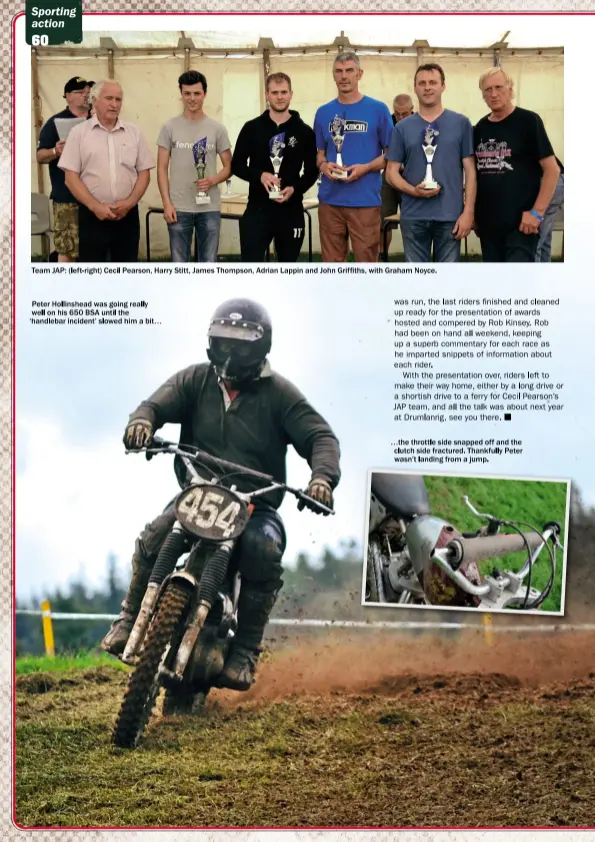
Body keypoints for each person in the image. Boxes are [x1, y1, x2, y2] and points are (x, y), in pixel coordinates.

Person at [101, 298, 341, 691]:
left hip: (255, 505)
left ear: (261, 348)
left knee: (263, 549)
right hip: (198, 493)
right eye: (224, 342)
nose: (231, 353)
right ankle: (129, 617)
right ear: (211, 342)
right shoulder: (194, 380)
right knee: (156, 533)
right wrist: (142, 423)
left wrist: (322, 480)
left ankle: (245, 650)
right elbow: (151, 406)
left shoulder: (280, 394)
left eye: (242, 345)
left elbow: (320, 437)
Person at [385, 63, 476, 263]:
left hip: (450, 216)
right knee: (417, 281)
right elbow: (390, 172)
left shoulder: (461, 123)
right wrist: (413, 191)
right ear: (415, 87)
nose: (427, 87)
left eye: (433, 82)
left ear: (443, 86)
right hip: (413, 216)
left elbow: (470, 171)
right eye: (422, 83)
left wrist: (468, 212)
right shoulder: (402, 128)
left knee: (446, 283)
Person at [59, 80, 155, 262]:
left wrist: (129, 203)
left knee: (126, 272)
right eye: (109, 98)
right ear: (94, 101)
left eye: (118, 99)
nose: (114, 104)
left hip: (127, 217)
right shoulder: (78, 133)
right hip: (92, 216)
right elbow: (70, 178)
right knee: (93, 275)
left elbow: (144, 173)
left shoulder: (134, 133)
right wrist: (96, 207)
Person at [474, 67, 560, 263]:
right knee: (494, 285)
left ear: (511, 89)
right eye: (487, 89)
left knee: (518, 285)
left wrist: (537, 213)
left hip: (521, 225)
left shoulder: (528, 121)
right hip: (489, 225)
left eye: (499, 87)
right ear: (482, 94)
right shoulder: (480, 127)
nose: (493, 94)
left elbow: (552, 170)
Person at [314, 52, 394, 262]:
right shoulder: (323, 112)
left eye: (349, 70)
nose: (344, 76)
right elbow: (319, 155)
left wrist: (365, 168)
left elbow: (391, 155)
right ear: (333, 76)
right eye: (339, 71)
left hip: (365, 202)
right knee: (332, 267)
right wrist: (324, 167)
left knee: (366, 266)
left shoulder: (378, 110)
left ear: (360, 74)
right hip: (330, 201)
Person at [231, 73, 318, 261]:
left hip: (291, 211)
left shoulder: (304, 132)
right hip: (258, 210)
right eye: (275, 92)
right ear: (267, 95)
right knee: (251, 268)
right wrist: (259, 175)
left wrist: (295, 189)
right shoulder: (251, 128)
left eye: (284, 92)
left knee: (287, 270)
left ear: (291, 94)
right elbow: (236, 165)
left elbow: (312, 172)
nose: (280, 97)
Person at [157, 71, 232, 263]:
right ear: (181, 94)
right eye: (187, 93)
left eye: (197, 93)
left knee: (208, 264)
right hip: (178, 208)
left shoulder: (217, 129)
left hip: (209, 208)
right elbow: (161, 168)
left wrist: (212, 180)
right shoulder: (169, 127)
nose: (192, 98)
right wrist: (167, 203)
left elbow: (229, 166)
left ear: (205, 94)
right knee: (179, 265)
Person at [36, 76, 93, 261]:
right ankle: (63, 287)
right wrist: (56, 150)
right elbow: (40, 156)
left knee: (94, 248)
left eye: (88, 92)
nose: (86, 96)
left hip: (97, 197)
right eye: (80, 92)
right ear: (68, 96)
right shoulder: (55, 122)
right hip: (67, 198)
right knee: (67, 250)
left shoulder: (98, 119)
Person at [380, 93, 414, 257]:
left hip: (412, 178)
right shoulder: (388, 123)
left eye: (404, 114)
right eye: (397, 113)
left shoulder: (421, 123)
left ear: (412, 110)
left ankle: (413, 259)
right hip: (389, 177)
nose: (400, 117)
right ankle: (382, 258)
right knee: (383, 221)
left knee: (411, 223)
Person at [535, 158, 564, 262]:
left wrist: (536, 214)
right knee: (544, 240)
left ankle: (534, 277)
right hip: (558, 182)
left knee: (534, 243)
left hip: (551, 182)